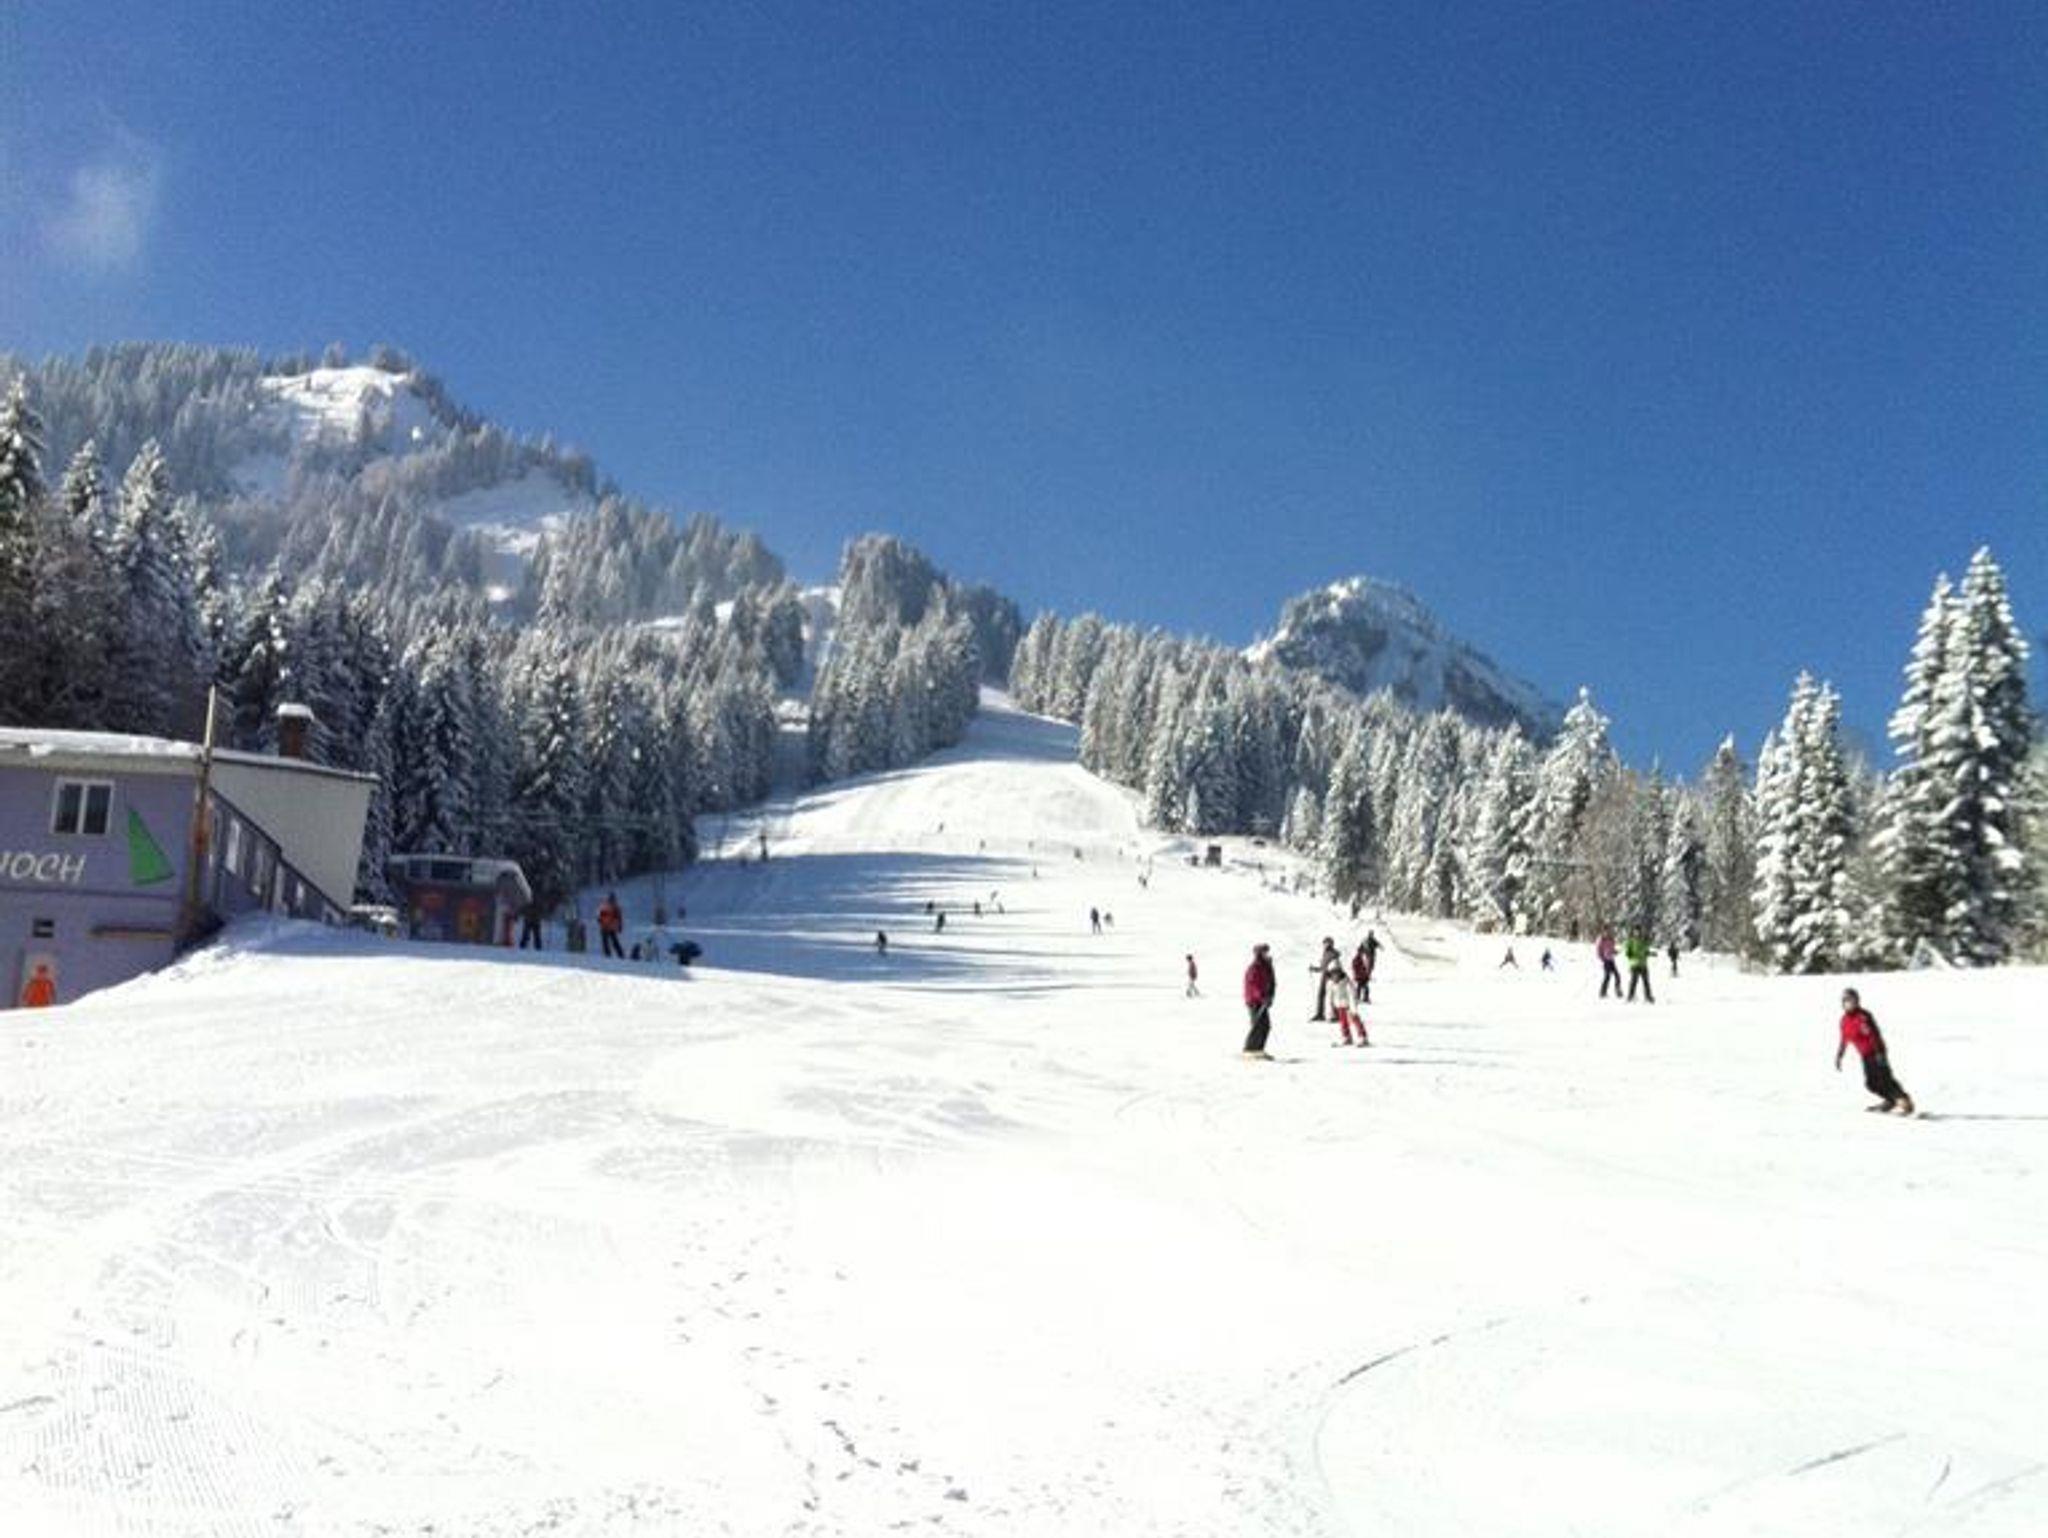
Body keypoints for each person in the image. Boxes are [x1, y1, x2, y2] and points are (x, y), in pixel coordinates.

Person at [1836, 988, 1915, 1115]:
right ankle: (1891, 1100)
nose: (1850, 1004)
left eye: (1853, 1001)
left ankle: (1903, 1100)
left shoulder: (1863, 1016)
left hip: (1876, 1051)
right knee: (1871, 1084)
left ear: (1857, 1001)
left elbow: (1874, 1035)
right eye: (1847, 1001)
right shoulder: (1844, 1020)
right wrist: (1839, 1056)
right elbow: (1844, 1038)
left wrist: (1879, 1053)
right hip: (1865, 1055)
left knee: (1885, 1078)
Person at [1242, 943, 1277, 1059]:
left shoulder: (1265, 966)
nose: (1267, 954)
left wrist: (1269, 996)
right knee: (1257, 1025)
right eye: (1264, 952)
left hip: (1262, 1000)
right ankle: (1249, 1049)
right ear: (1259, 954)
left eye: (1267, 952)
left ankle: (1258, 1049)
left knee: (1265, 1026)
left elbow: (1271, 982)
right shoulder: (1254, 967)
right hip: (1254, 1001)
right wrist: (1262, 997)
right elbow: (1253, 986)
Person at [1328, 963, 1368, 1047]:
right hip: (1339, 1005)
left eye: (1337, 973)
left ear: (1340, 973)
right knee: (1343, 1022)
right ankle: (1347, 1037)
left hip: (1349, 1004)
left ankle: (1363, 1036)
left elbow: (1351, 994)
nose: (1335, 976)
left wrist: (1353, 1008)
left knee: (1355, 1020)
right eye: (1333, 973)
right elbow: (1329, 997)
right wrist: (1330, 1010)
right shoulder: (1330, 983)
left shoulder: (1346, 982)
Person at [1309, 937, 1339, 1020]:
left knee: (1332, 996)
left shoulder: (1333, 954)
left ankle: (1336, 1015)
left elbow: (1335, 966)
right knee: (1321, 995)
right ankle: (1320, 1014)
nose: (1325, 945)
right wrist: (1314, 969)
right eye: (1324, 943)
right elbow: (1323, 967)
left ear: (1331, 944)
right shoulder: (1325, 953)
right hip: (1324, 976)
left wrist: (1334, 975)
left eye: (1326, 943)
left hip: (1331, 977)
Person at [1624, 930, 1655, 1003]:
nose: (1637, 933)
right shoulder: (1631, 941)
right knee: (1634, 981)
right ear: (1633, 932)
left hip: (1643, 964)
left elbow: (1646, 950)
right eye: (1635, 932)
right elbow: (1627, 949)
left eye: (1638, 931)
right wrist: (1628, 953)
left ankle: (1648, 996)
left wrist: (1651, 953)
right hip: (1635, 964)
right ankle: (1630, 996)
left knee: (1646, 982)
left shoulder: (1643, 941)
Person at [597, 892, 625, 959]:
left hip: (607, 927)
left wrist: (619, 925)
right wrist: (620, 926)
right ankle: (618, 955)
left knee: (610, 942)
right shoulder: (613, 906)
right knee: (611, 942)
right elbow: (600, 916)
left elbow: (600, 916)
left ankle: (614, 955)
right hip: (608, 927)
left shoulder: (607, 906)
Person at [1596, 930, 1622, 998]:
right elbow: (1599, 951)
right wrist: (1603, 959)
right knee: (1607, 976)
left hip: (1611, 960)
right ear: (1603, 932)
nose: (1607, 933)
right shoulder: (1601, 940)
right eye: (1605, 932)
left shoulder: (1611, 940)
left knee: (1617, 976)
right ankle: (1602, 992)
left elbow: (1612, 949)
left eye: (1608, 932)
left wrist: (1615, 952)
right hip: (1606, 961)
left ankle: (1618, 990)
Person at [1350, 941, 1373, 1006]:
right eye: (1362, 951)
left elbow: (1366, 966)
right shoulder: (1357, 958)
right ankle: (1360, 998)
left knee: (1363, 987)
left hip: (1363, 975)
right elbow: (1354, 965)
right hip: (1360, 975)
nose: (1363, 952)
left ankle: (1362, 998)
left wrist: (1367, 973)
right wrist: (1358, 972)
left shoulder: (1363, 957)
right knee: (1362, 987)